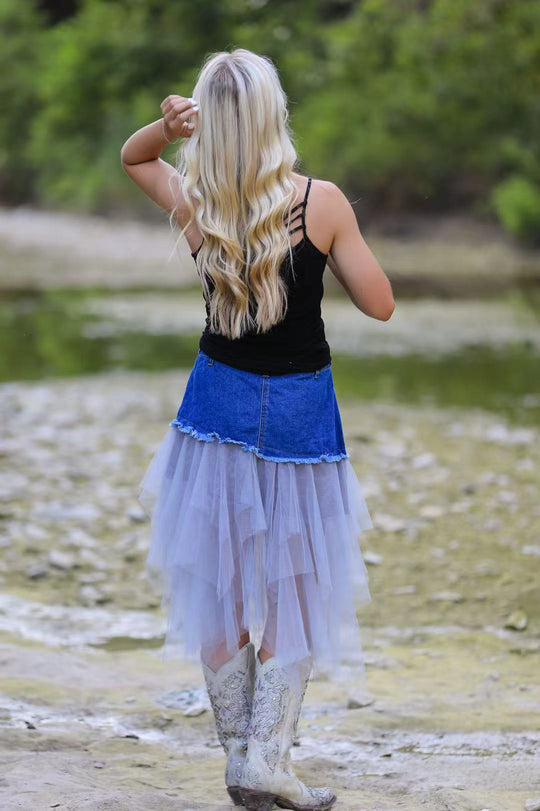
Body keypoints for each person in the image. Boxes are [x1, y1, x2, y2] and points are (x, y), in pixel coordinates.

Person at [121, 48, 394, 811]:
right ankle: (265, 759)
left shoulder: (199, 203)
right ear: (275, 115)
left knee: (216, 583)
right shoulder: (324, 202)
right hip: (303, 411)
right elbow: (381, 304)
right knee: (297, 584)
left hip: (215, 410)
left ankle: (243, 753)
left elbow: (132, 156)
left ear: (207, 123)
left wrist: (165, 125)